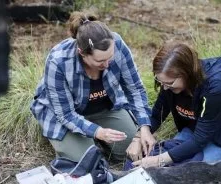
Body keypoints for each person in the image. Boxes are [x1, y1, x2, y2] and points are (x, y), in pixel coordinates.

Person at [30, 11, 156, 163]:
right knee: (88, 162)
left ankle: (96, 139)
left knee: (135, 150)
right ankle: (76, 141)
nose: (107, 64)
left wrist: (144, 127)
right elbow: (65, 114)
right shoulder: (59, 61)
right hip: (66, 115)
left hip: (104, 108)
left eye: (110, 57)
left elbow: (135, 89)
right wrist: (97, 132)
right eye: (100, 61)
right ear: (82, 53)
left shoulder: (117, 44)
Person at [128, 42, 221, 168]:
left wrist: (159, 160)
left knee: (187, 170)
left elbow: (200, 140)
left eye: (169, 83)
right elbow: (157, 114)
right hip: (194, 131)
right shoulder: (168, 82)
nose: (165, 87)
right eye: (160, 81)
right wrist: (139, 136)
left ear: (187, 73)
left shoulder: (217, 86)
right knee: (158, 158)